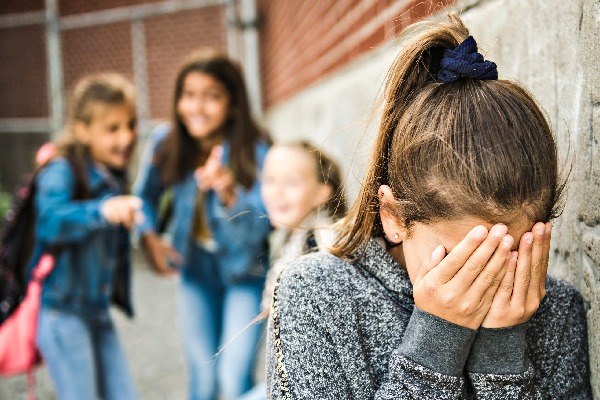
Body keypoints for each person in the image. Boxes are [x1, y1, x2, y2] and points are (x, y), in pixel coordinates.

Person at [266, 13, 592, 399]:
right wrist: (436, 341)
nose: (484, 280)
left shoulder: (554, 311)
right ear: (393, 217)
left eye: (509, 254)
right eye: (462, 259)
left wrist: (504, 358)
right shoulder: (318, 295)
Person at [134, 49, 271, 400]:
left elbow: (262, 228)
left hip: (244, 273)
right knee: (203, 382)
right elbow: (143, 199)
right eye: (189, 95)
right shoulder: (166, 142)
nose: (197, 107)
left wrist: (228, 192)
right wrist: (149, 238)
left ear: (233, 104)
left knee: (232, 378)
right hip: (194, 272)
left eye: (212, 97)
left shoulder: (254, 150)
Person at [34, 73, 140, 400]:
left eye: (130, 124)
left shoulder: (113, 175)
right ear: (82, 130)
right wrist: (102, 211)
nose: (127, 137)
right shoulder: (61, 169)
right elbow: (49, 221)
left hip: (97, 312)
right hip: (63, 314)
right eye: (112, 128)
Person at [239, 141, 347, 400]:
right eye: (269, 180)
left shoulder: (321, 245)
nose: (277, 192)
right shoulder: (293, 238)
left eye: (291, 182)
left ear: (322, 193)